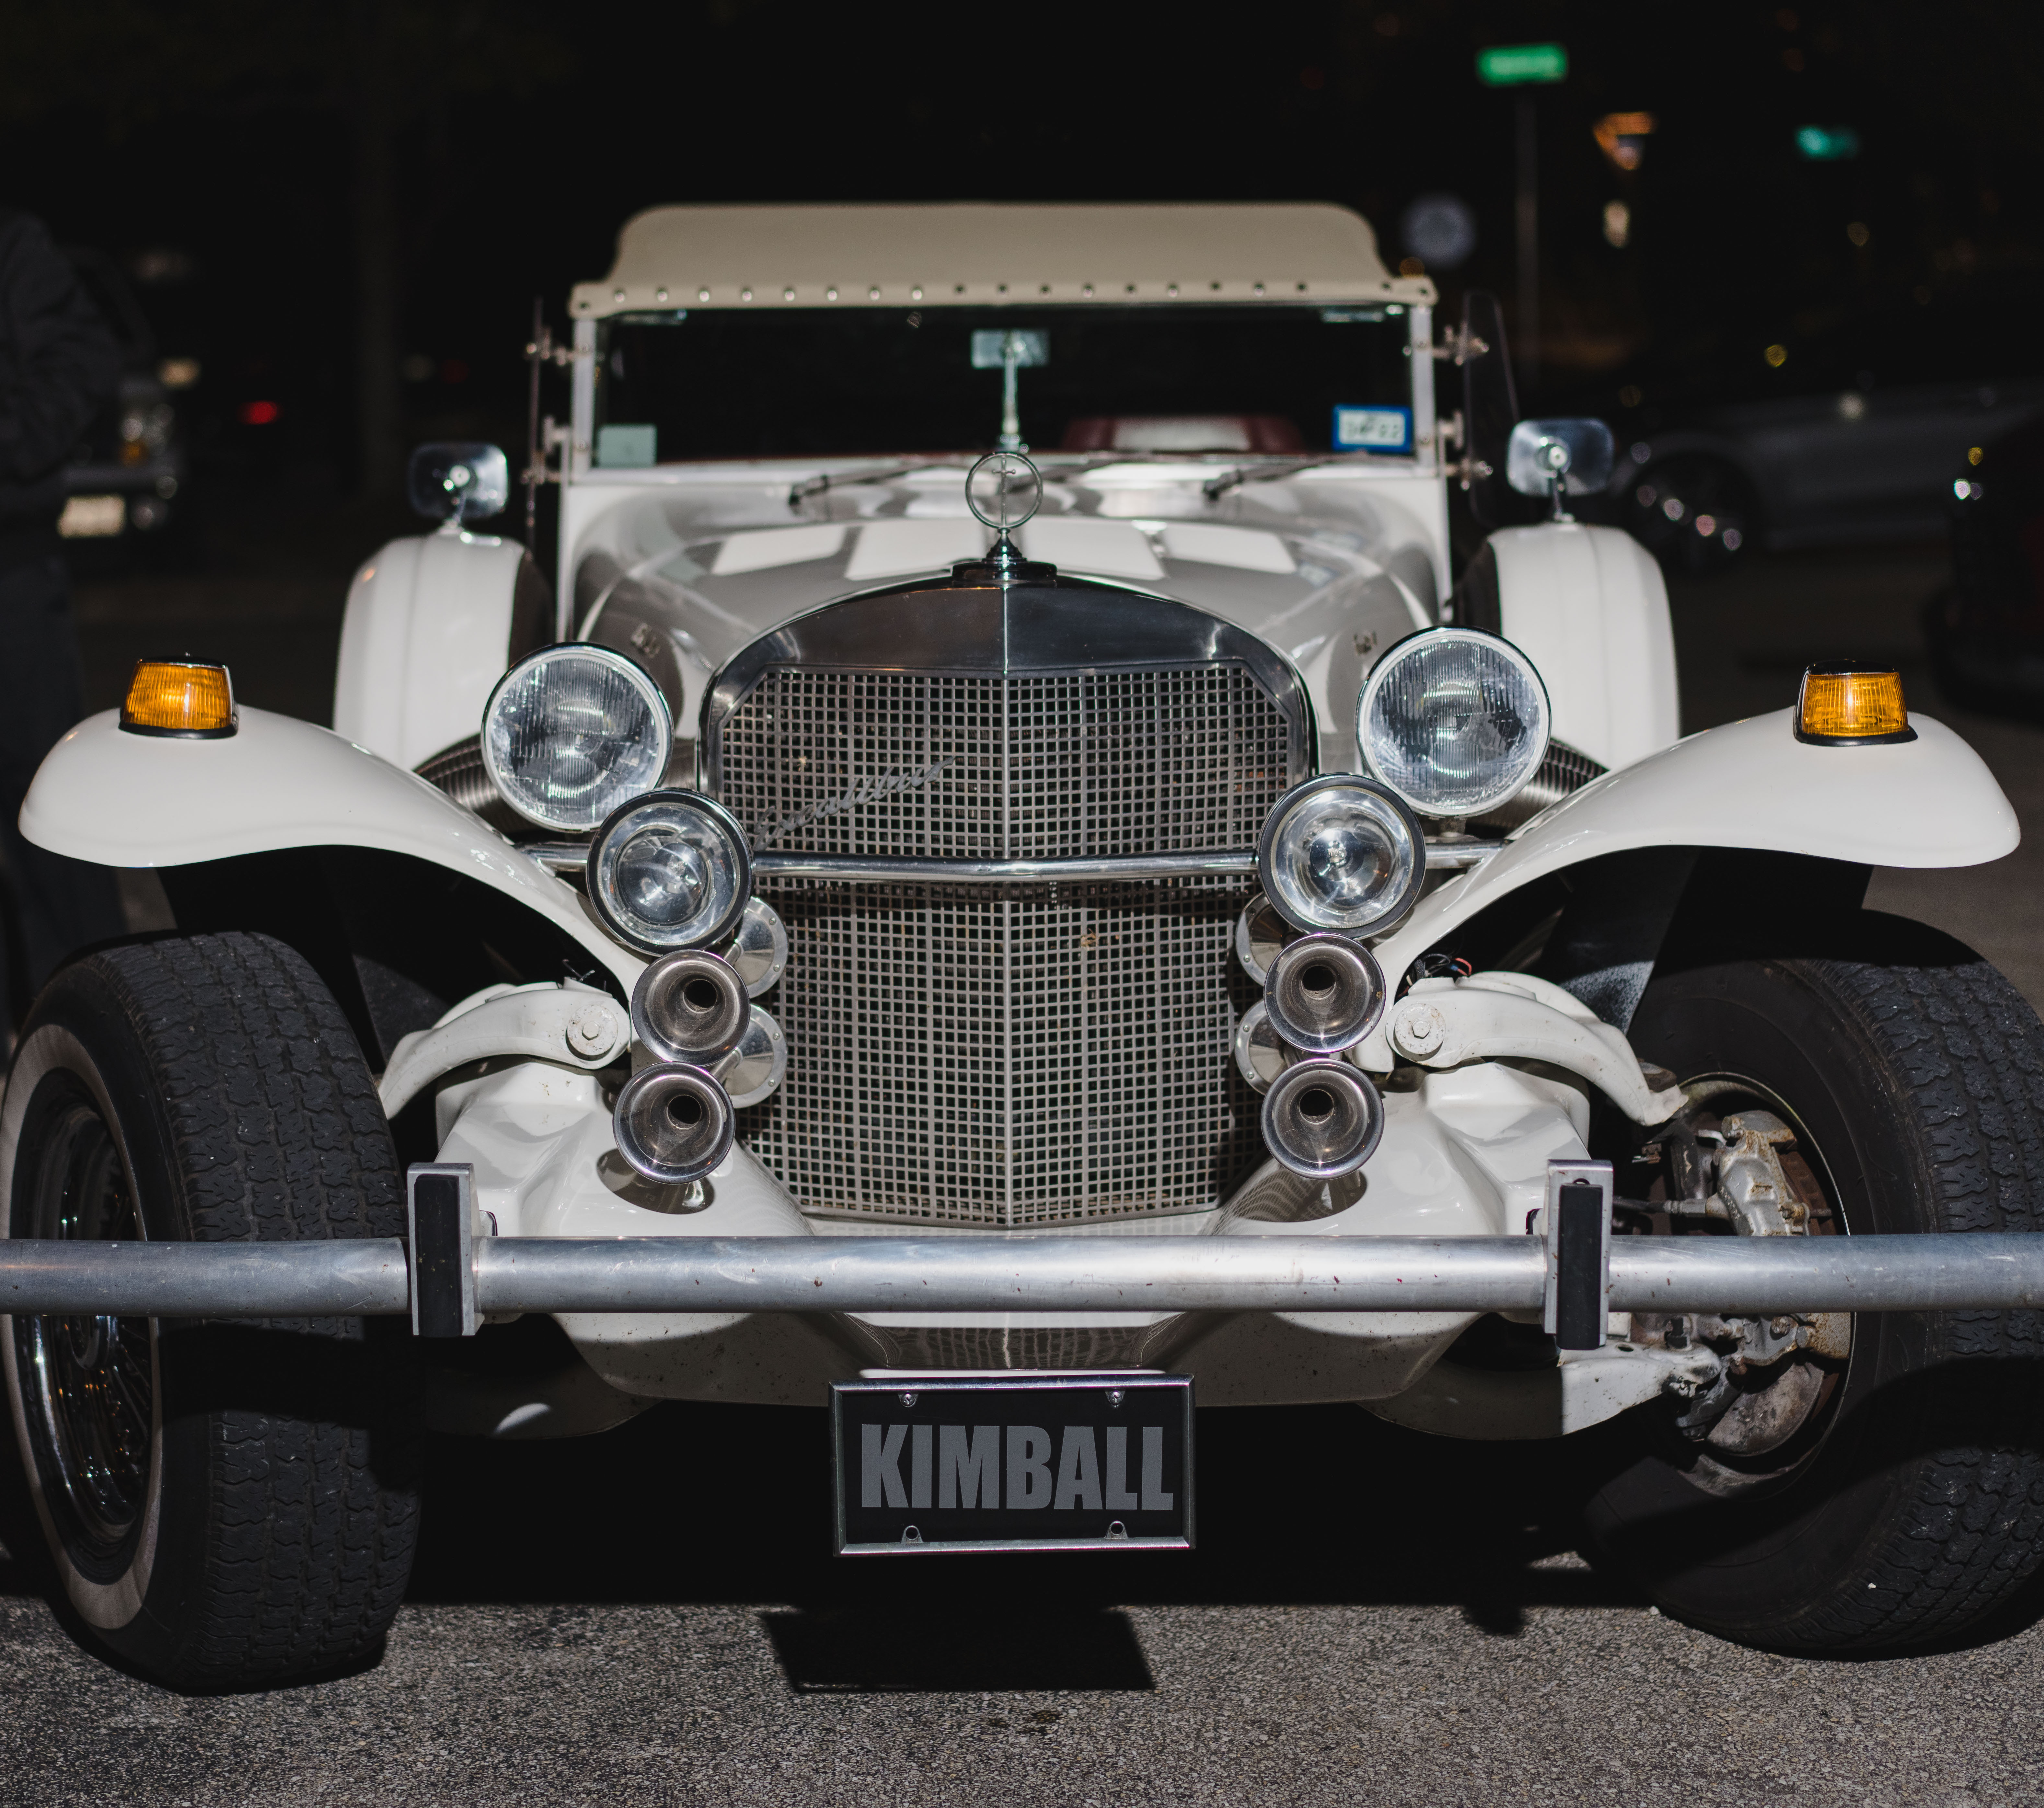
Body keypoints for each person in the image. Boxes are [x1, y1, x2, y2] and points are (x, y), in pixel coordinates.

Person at [0, 206, 125, 1035]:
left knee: (41, 805)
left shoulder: (10, 245)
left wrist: (10, 439)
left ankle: (89, 1022)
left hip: (5, 568)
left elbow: (85, 358)